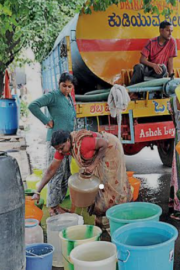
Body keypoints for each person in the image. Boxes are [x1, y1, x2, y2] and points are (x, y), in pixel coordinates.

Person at [32, 129, 131, 224]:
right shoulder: (63, 147)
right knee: (98, 184)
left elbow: (104, 144)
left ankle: (118, 212)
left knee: (110, 183)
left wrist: (93, 165)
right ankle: (101, 215)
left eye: (61, 148)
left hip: (110, 147)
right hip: (98, 148)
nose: (60, 152)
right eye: (58, 150)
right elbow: (50, 170)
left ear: (67, 140)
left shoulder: (83, 144)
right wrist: (38, 191)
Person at [28, 72, 76, 216]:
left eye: (69, 86)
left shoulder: (69, 99)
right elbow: (33, 105)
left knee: (65, 175)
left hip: (67, 144)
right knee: (55, 174)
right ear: (59, 84)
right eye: (64, 86)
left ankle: (57, 204)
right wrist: (46, 120)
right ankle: (52, 207)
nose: (67, 89)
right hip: (55, 143)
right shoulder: (53, 96)